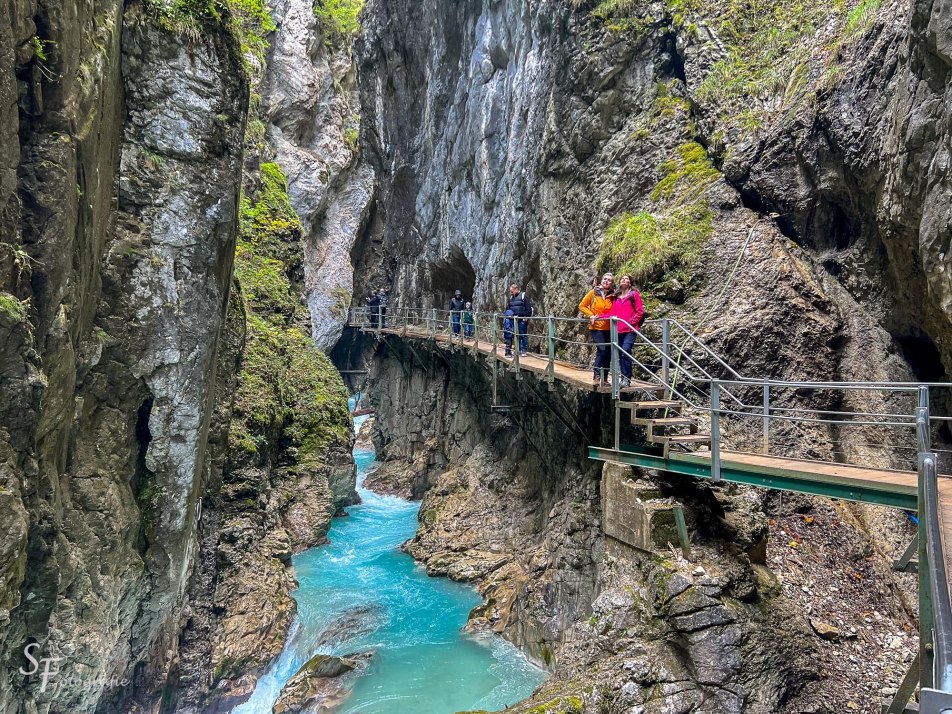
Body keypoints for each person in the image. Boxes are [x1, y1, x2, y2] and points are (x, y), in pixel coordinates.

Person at [598, 274, 644, 388]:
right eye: (622, 279)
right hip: (618, 330)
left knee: (626, 351)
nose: (624, 280)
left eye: (626, 279)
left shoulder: (634, 295)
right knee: (620, 354)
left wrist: (632, 322)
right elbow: (612, 313)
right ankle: (623, 378)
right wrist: (598, 316)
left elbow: (640, 311)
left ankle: (626, 379)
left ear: (630, 283)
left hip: (630, 329)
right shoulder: (616, 297)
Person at [578, 273, 615, 383]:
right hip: (596, 327)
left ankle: (604, 378)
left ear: (612, 283)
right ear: (601, 280)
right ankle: (597, 375)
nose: (606, 281)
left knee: (608, 353)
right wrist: (590, 315)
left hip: (609, 328)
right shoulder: (594, 292)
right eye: (605, 279)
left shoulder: (613, 295)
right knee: (602, 350)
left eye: (609, 280)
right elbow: (582, 305)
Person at [506, 283, 533, 356]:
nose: (511, 293)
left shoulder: (523, 296)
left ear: (516, 289)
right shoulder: (511, 298)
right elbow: (509, 308)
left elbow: (529, 308)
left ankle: (524, 350)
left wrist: (526, 317)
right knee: (516, 335)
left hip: (522, 319)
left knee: (523, 334)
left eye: (512, 291)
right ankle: (518, 350)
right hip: (514, 320)